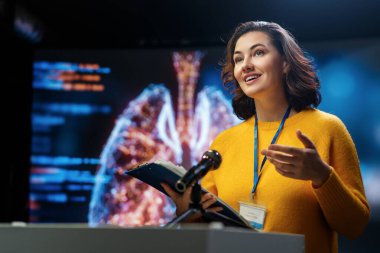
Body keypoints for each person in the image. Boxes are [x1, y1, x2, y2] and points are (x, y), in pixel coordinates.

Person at [162, 21, 370, 253]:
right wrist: (187, 213)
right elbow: (211, 233)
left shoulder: (327, 128)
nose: (246, 65)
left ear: (285, 63)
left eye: (258, 53)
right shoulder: (224, 142)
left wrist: (322, 176)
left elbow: (354, 227)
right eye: (238, 59)